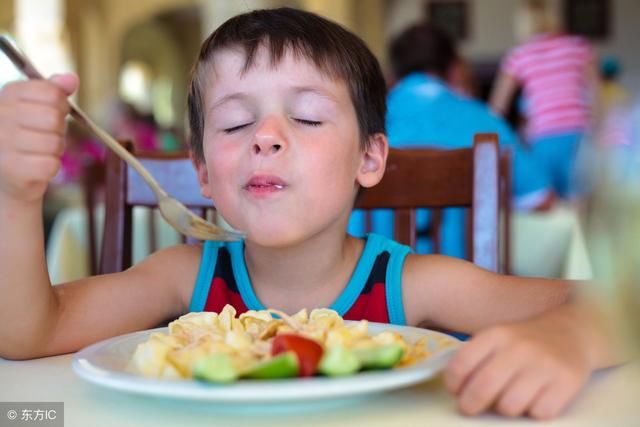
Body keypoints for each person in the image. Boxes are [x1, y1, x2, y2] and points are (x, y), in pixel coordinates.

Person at [0, 7, 620, 420]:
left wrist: (571, 336)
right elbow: (29, 333)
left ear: (369, 158)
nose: (265, 137)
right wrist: (14, 197)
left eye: (307, 116)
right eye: (237, 122)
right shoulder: (181, 278)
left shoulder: (414, 286)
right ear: (204, 173)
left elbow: (621, 306)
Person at [350, 22, 554, 257]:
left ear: (392, 74)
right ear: (454, 69)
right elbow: (541, 199)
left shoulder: (360, 122)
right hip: (466, 285)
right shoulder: (484, 121)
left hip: (371, 286)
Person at [489, 0, 598, 199]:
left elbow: (496, 109)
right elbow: (596, 95)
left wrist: (510, 142)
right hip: (580, 136)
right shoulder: (577, 46)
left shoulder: (519, 55)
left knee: (551, 207)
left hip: (544, 138)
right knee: (583, 207)